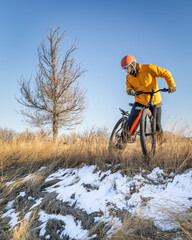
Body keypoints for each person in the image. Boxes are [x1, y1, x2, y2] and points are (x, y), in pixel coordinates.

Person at [118, 55, 176, 148]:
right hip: (140, 101)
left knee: (157, 125)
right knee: (131, 120)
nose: (126, 70)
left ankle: (160, 145)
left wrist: (171, 85)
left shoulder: (148, 68)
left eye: (127, 68)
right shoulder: (129, 77)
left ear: (133, 64)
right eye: (124, 69)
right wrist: (129, 91)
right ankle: (121, 144)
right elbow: (128, 87)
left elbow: (166, 73)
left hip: (155, 100)